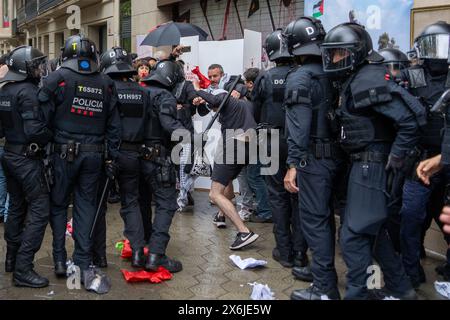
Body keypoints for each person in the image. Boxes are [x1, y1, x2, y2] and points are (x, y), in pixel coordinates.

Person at [321, 22, 422, 299]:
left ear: (354, 53)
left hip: (372, 166)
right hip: (365, 165)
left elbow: (410, 121)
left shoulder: (368, 79)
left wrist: (395, 159)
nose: (334, 59)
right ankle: (402, 290)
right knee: (374, 234)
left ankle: (358, 294)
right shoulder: (360, 77)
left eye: (339, 53)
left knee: (353, 237)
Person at [38, 35, 121, 288]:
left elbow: (42, 118)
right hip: (94, 156)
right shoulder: (106, 82)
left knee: (60, 204)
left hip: (62, 153)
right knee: (86, 207)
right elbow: (114, 126)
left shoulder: (57, 79)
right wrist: (111, 156)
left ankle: (60, 260)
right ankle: (83, 262)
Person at [281, 17, 342, 299]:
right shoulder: (336, 71)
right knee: (326, 218)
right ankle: (321, 272)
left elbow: (299, 127)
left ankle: (324, 289)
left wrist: (294, 164)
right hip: (337, 158)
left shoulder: (300, 77)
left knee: (314, 221)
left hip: (313, 160)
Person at [398, 21, 450, 288]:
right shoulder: (411, 76)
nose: (438, 53)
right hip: (420, 161)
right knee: (411, 216)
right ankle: (411, 269)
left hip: (447, 160)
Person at [1, 46, 52, 287]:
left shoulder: (5, 90)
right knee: (40, 210)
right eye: (35, 65)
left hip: (10, 154)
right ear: (23, 68)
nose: (39, 69)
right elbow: (35, 131)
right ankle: (23, 268)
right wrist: (51, 135)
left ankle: (11, 259)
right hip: (26, 159)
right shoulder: (28, 92)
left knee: (17, 208)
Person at [99, 47, 153, 268]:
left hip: (116, 153)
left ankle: (105, 254)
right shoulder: (143, 92)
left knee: (117, 202)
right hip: (139, 153)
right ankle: (141, 248)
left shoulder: (109, 90)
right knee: (137, 200)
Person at [193, 87, 260, 250]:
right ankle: (222, 214)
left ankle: (244, 232)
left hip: (233, 146)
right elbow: (213, 104)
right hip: (248, 147)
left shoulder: (227, 99)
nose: (213, 109)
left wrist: (197, 89)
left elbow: (216, 100)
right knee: (226, 182)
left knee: (214, 194)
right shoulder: (244, 104)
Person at [139, 60, 187, 272]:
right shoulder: (164, 96)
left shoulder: (140, 93)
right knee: (166, 205)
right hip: (158, 158)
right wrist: (192, 137)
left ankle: (142, 251)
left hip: (135, 158)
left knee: (141, 204)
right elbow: (169, 126)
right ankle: (156, 255)